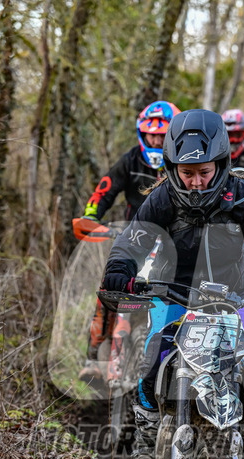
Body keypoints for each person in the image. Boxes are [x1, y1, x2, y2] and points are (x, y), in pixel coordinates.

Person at [100, 109, 244, 459]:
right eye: (187, 173)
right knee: (154, 352)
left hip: (234, 292)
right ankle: (147, 443)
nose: (196, 182)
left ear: (221, 164)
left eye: (204, 172)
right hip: (173, 290)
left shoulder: (242, 194)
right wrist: (119, 270)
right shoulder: (163, 197)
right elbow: (133, 241)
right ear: (173, 168)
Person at [78, 101, 181, 383]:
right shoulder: (132, 160)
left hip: (173, 243)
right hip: (133, 240)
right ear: (142, 134)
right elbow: (105, 190)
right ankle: (93, 356)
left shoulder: (184, 165)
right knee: (109, 286)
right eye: (151, 135)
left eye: (162, 136)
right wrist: (90, 216)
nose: (156, 141)